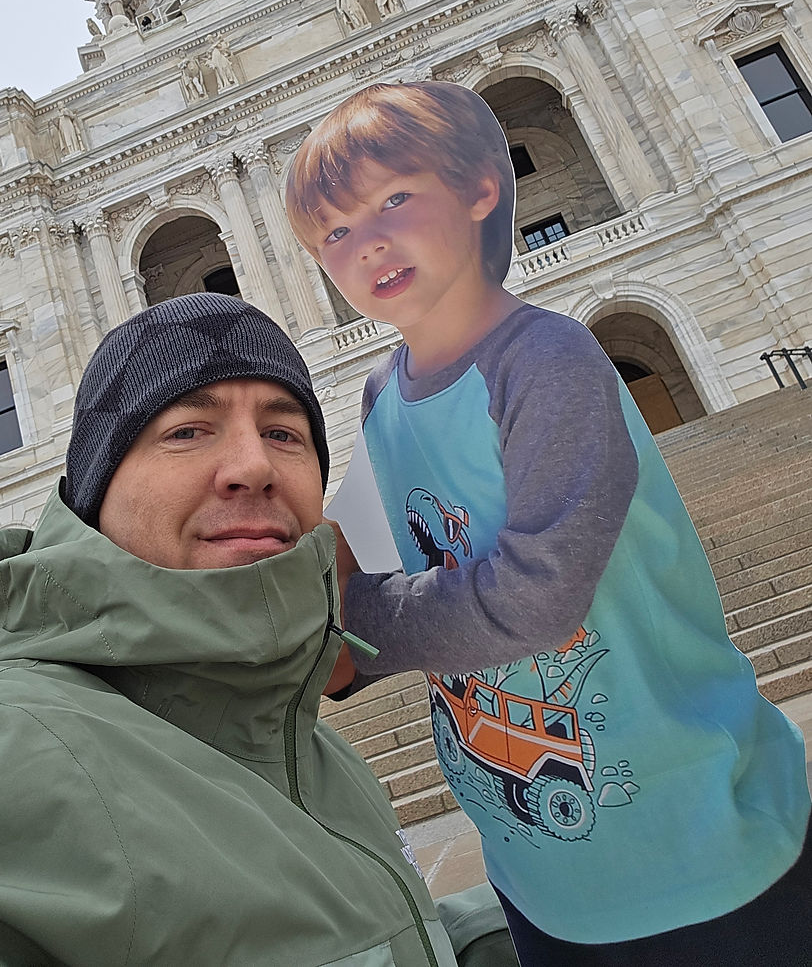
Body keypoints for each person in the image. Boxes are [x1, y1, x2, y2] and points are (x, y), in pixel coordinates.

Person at [285, 81, 812, 965]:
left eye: (394, 200)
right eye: (335, 232)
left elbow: (538, 597)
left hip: (699, 841)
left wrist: (361, 619)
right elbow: (431, 580)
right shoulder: (381, 399)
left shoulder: (546, 359)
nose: (368, 241)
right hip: (541, 866)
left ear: (483, 188)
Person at [0, 292, 511, 966]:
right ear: (97, 488)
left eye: (284, 433)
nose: (254, 466)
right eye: (186, 429)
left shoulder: (318, 759)